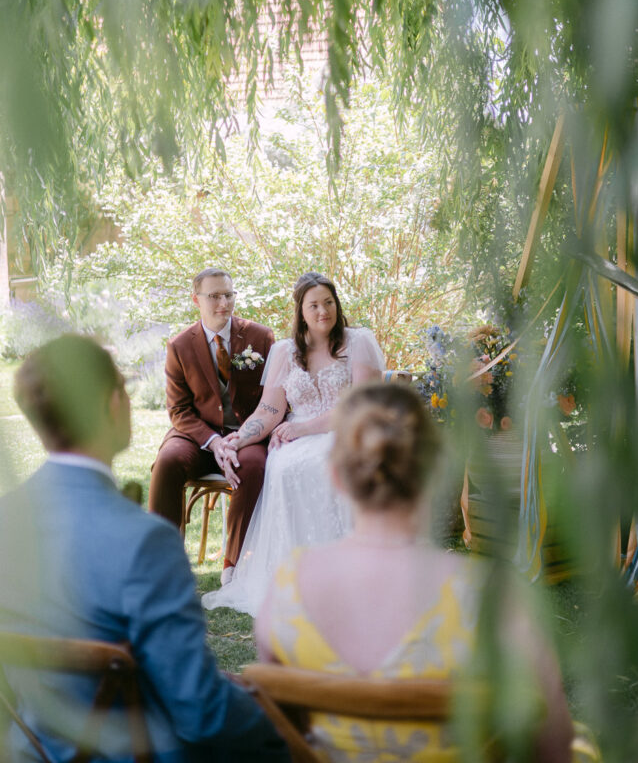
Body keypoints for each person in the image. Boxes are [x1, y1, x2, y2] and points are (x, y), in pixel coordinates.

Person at [0, 334, 289, 763]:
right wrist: (282, 729)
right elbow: (200, 711)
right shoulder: (145, 540)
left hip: (33, 747)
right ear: (112, 404)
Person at [255, 382, 575, 763]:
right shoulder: (493, 595)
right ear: (434, 471)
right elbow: (552, 746)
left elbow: (279, 733)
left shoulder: (288, 587)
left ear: (337, 477)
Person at [202, 272, 384, 616]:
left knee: (327, 462)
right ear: (300, 311)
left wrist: (304, 429)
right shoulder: (286, 351)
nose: (322, 311)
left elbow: (363, 405)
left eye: (328, 303)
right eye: (313, 305)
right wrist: (238, 438)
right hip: (295, 436)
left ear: (337, 305)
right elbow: (270, 410)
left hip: (347, 432)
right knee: (284, 465)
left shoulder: (358, 343)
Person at [149, 267, 274, 574]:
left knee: (254, 466)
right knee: (167, 461)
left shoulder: (260, 336)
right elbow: (179, 410)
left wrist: (239, 439)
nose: (224, 302)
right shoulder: (179, 346)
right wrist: (214, 440)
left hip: (248, 434)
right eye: (214, 296)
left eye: (229, 295)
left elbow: (272, 399)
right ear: (196, 299)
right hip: (197, 436)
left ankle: (235, 565)